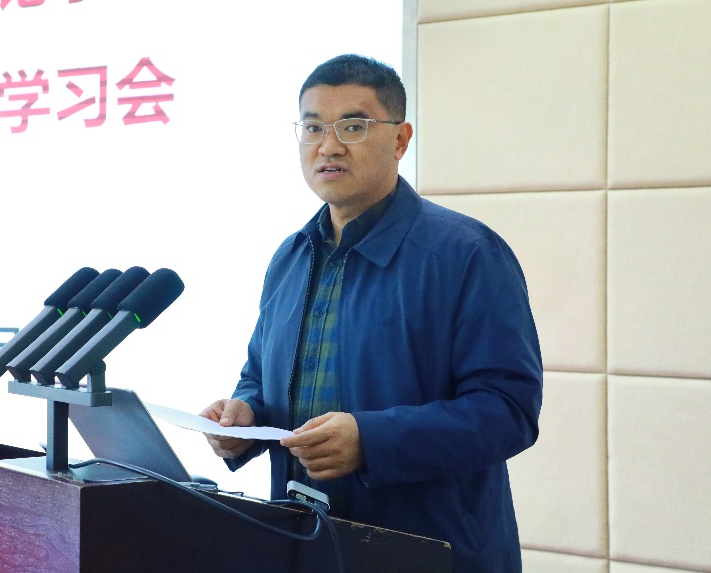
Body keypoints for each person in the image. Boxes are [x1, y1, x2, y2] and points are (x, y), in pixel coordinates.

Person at [200, 54, 542, 573]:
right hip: (305, 545)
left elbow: (508, 412)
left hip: (431, 554)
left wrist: (370, 441)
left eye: (353, 126)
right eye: (313, 127)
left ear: (400, 140)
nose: (328, 145)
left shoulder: (465, 252)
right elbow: (259, 377)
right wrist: (244, 417)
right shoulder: (290, 256)